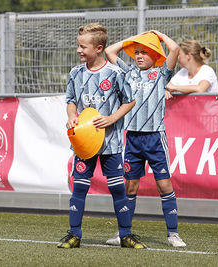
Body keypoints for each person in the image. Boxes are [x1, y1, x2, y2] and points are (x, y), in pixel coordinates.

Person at [57, 23, 147, 249]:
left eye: (83, 47)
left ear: (98, 48)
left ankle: (126, 235)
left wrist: (112, 118)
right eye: (78, 46)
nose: (79, 50)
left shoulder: (116, 73)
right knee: (79, 187)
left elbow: (130, 101)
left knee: (118, 188)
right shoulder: (75, 73)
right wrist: (71, 116)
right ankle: (74, 234)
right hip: (84, 143)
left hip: (111, 143)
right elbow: (71, 100)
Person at [105, 30, 186, 247]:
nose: (139, 55)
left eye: (145, 52)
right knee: (130, 187)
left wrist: (158, 34)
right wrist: (131, 41)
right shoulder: (128, 72)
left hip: (155, 139)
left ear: (156, 55)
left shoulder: (161, 74)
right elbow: (109, 51)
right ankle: (123, 232)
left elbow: (175, 49)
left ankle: (173, 234)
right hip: (132, 138)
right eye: (137, 52)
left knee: (164, 184)